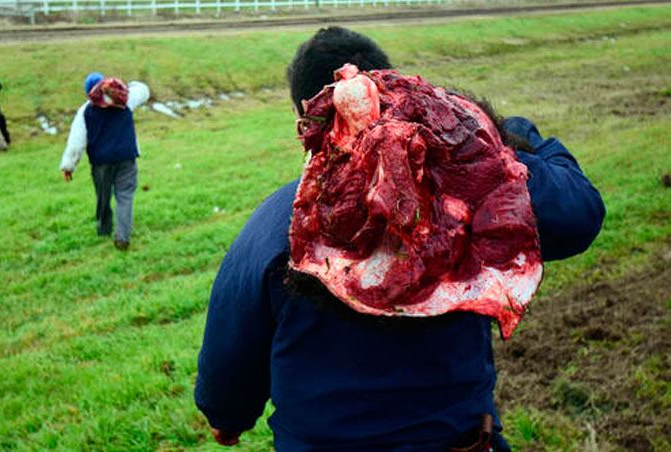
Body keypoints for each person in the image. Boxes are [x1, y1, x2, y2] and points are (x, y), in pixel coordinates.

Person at [194, 27, 606, 451]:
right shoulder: (471, 189)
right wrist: (505, 136)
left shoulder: (272, 224)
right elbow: (578, 214)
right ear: (393, 84)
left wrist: (228, 416)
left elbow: (228, 369)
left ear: (306, 117)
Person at [60, 72, 150, 251]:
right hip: (126, 157)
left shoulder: (85, 110)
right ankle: (122, 237)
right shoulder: (125, 99)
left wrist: (69, 166)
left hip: (101, 163)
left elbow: (76, 142)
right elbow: (144, 91)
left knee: (103, 195)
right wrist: (130, 84)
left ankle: (104, 228)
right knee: (125, 196)